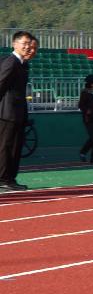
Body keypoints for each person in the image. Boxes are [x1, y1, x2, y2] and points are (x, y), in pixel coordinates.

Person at [0, 31, 34, 192]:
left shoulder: (22, 64)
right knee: (6, 147)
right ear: (14, 44)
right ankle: (4, 179)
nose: (27, 46)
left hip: (17, 113)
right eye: (24, 43)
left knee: (15, 147)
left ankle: (10, 179)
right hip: (7, 113)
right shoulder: (11, 62)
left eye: (29, 43)